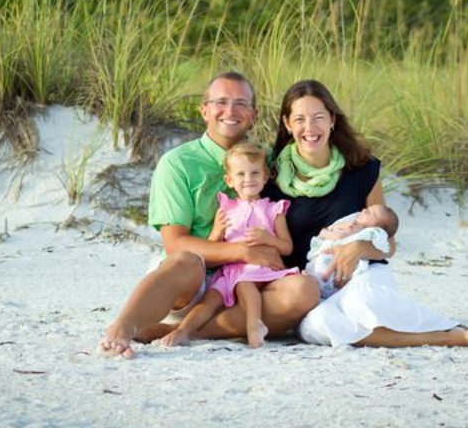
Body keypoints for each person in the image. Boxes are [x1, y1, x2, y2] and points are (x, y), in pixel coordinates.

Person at [264, 79, 468, 349]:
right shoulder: (269, 178)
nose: (309, 128)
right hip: (311, 291)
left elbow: (388, 244)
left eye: (318, 117)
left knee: (364, 301)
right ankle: (452, 335)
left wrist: (359, 247)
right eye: (299, 119)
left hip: (361, 276)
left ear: (332, 120)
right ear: (287, 124)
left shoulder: (362, 169)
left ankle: (454, 333)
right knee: (319, 325)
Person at [100, 72, 319, 358]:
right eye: (221, 102)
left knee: (305, 291)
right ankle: (122, 330)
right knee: (186, 260)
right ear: (204, 110)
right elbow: (175, 244)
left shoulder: (266, 160)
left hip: (252, 287)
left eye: (241, 103)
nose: (230, 111)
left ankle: (182, 332)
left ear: (253, 114)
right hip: (195, 286)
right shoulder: (178, 163)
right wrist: (242, 252)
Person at [160, 142, 297, 348]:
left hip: (258, 268)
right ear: (229, 180)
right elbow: (212, 247)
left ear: (266, 176)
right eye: (241, 174)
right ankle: (183, 331)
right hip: (229, 270)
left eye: (254, 173)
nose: (248, 179)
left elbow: (287, 247)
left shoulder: (273, 210)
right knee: (210, 299)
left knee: (245, 284)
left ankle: (254, 327)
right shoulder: (226, 208)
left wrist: (269, 240)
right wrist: (216, 231)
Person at [306, 203, 398, 299]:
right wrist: (335, 232)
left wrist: (360, 245)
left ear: (379, 228)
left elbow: (386, 246)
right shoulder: (348, 222)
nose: (364, 210)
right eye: (367, 209)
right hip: (315, 268)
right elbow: (323, 234)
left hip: (340, 277)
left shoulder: (371, 233)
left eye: (371, 213)